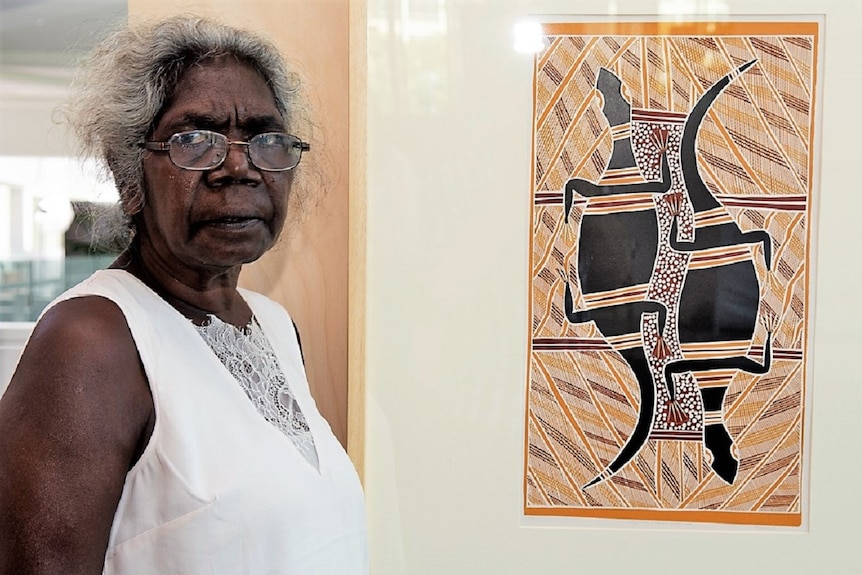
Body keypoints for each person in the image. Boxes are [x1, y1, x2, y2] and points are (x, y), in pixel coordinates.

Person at [0, 16, 367, 575]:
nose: (239, 167)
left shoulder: (274, 326)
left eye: (267, 139)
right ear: (129, 177)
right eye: (195, 139)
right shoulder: (91, 341)